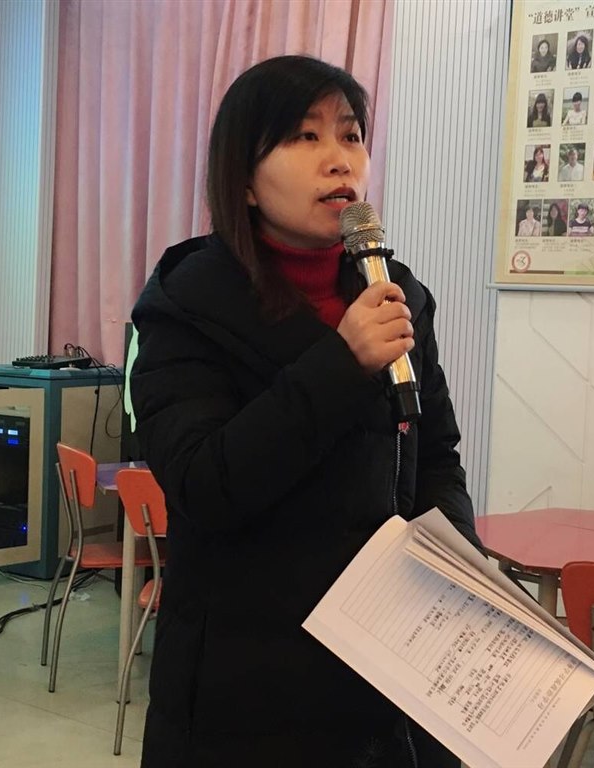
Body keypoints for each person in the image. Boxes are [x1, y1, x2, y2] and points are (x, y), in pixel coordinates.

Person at [130, 55, 480, 767]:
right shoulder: (187, 305)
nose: (338, 160)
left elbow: (435, 454)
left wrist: (456, 562)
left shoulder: (396, 294)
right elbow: (203, 483)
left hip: (387, 672)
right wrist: (341, 363)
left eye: (350, 135)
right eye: (303, 136)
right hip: (248, 686)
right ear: (243, 178)